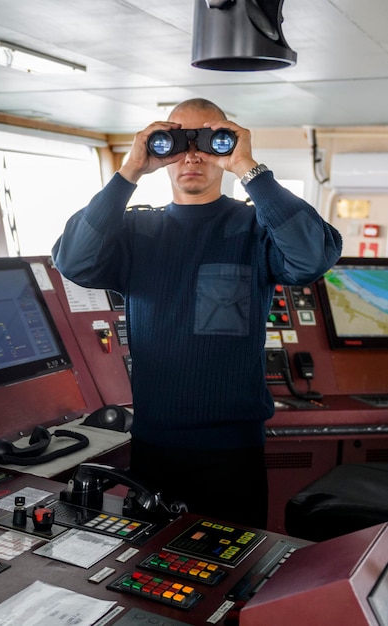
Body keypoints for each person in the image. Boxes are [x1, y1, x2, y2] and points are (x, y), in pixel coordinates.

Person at [52, 98, 342, 529]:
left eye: (208, 141)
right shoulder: (136, 233)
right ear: (160, 151)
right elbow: (74, 261)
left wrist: (249, 170)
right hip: (153, 449)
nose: (192, 155)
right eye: (177, 141)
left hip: (232, 455)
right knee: (148, 586)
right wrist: (129, 170)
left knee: (229, 584)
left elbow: (311, 256)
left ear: (226, 146)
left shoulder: (255, 230)